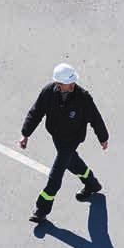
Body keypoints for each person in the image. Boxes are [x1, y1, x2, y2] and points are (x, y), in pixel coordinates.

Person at [20, 63, 109, 224]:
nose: (73, 84)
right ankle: (92, 184)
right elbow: (36, 112)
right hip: (57, 136)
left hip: (72, 139)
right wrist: (25, 134)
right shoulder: (48, 92)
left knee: (56, 175)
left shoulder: (83, 98)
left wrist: (103, 137)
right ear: (58, 85)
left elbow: (95, 118)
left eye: (74, 81)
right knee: (72, 163)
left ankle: (41, 210)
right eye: (69, 82)